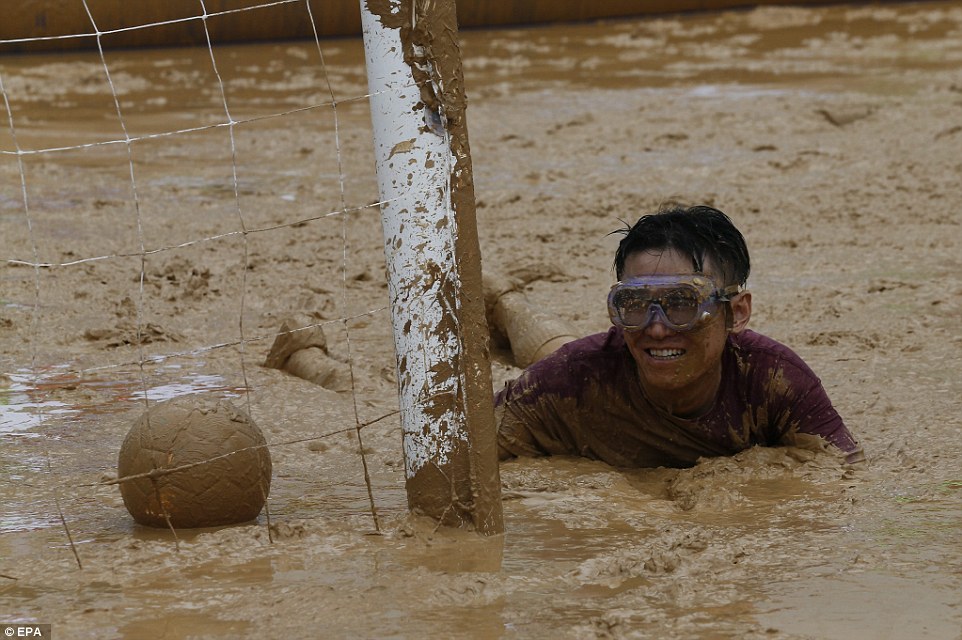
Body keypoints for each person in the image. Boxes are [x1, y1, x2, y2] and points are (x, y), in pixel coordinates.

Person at [491, 204, 864, 467]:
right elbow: (457, 451)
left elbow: (845, 475)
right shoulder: (571, 378)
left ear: (736, 312)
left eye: (683, 303)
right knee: (562, 356)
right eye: (634, 303)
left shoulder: (773, 380)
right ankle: (503, 303)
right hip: (583, 365)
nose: (656, 327)